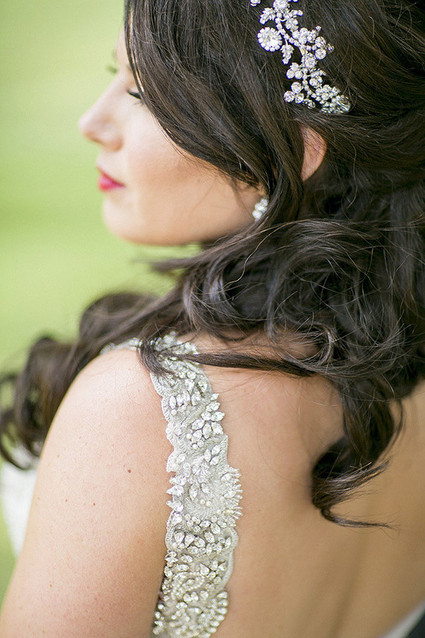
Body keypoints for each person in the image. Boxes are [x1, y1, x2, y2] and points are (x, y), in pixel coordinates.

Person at [1, 0, 425, 635]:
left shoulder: (139, 407)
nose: (93, 123)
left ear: (293, 149)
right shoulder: (405, 356)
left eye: (143, 94)